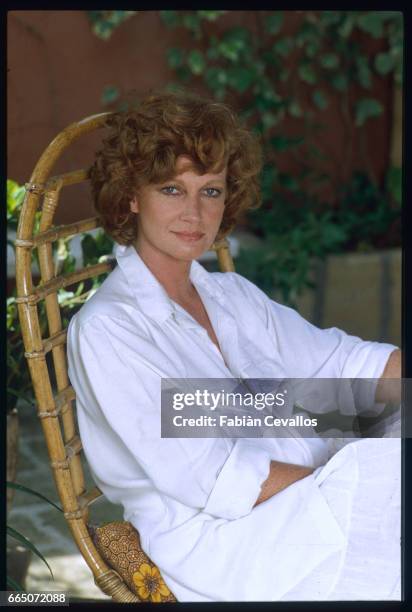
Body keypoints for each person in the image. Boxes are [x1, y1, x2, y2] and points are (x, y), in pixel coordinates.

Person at [67, 89, 401, 602]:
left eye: (212, 191)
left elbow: (343, 365)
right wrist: (346, 481)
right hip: (226, 546)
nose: (196, 213)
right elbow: (216, 477)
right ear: (132, 195)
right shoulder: (112, 330)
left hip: (305, 508)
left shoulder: (230, 296)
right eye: (172, 189)